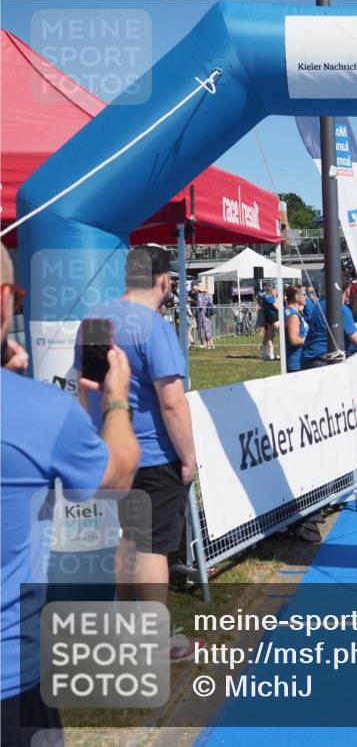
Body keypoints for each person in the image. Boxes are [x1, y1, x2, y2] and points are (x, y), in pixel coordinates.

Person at [1, 245, 139, 747]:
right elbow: (117, 475)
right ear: (4, 302)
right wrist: (117, 397)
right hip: (12, 680)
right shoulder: (38, 412)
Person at [75, 244, 199, 659]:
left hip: (111, 451)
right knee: (151, 547)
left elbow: (87, 390)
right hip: (152, 454)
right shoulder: (155, 327)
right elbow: (172, 402)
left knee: (128, 540)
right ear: (164, 281)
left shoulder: (94, 321)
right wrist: (189, 457)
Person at [301, 289, 357, 367]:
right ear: (348, 290)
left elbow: (334, 327)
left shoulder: (320, 303)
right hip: (322, 362)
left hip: (308, 359)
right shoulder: (342, 309)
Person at [283, 285, 309, 373]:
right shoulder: (293, 316)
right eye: (304, 294)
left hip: (297, 360)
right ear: (296, 297)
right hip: (296, 362)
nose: (306, 297)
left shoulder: (288, 311)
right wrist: (311, 341)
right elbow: (294, 340)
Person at [257, 283, 280, 361]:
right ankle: (272, 353)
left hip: (269, 317)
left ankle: (271, 354)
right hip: (272, 317)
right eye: (275, 290)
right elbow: (277, 307)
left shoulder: (269, 297)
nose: (276, 292)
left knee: (270, 336)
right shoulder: (268, 297)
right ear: (272, 290)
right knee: (281, 333)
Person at [193, 283, 214, 349]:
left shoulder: (200, 295)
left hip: (202, 312)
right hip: (208, 312)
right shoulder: (209, 295)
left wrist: (194, 302)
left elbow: (200, 305)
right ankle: (211, 344)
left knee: (203, 326)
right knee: (208, 327)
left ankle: (206, 344)